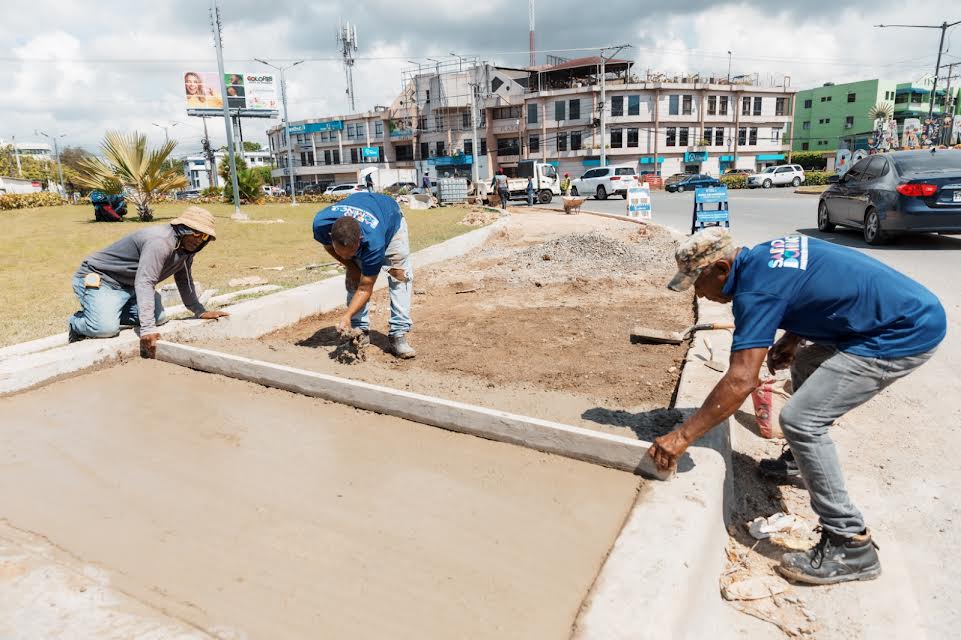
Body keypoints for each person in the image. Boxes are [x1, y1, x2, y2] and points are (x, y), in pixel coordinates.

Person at [648, 228, 945, 585]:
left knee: (801, 420)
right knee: (804, 362)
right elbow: (814, 288)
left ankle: (850, 543)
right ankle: (799, 465)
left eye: (699, 282)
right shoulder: (770, 251)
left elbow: (742, 379)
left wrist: (682, 436)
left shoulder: (754, 291)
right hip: (894, 314)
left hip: (901, 331)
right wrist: (791, 337)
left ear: (723, 269)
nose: (699, 293)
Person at [68, 206, 229, 357]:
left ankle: (108, 312)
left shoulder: (186, 248)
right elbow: (145, 282)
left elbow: (184, 279)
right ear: (183, 228)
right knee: (104, 329)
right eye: (195, 233)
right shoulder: (160, 242)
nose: (199, 239)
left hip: (131, 286)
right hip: (104, 280)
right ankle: (77, 323)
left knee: (159, 318)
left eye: (204, 236)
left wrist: (199, 311)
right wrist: (147, 329)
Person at [312, 192, 415, 358]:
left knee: (399, 277)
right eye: (342, 253)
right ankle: (360, 331)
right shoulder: (321, 224)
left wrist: (346, 315)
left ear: (360, 240)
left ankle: (399, 334)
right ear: (331, 236)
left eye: (351, 253)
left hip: (390, 219)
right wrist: (350, 265)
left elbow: (366, 287)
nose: (345, 257)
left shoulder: (373, 243)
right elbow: (328, 246)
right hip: (364, 213)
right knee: (353, 276)